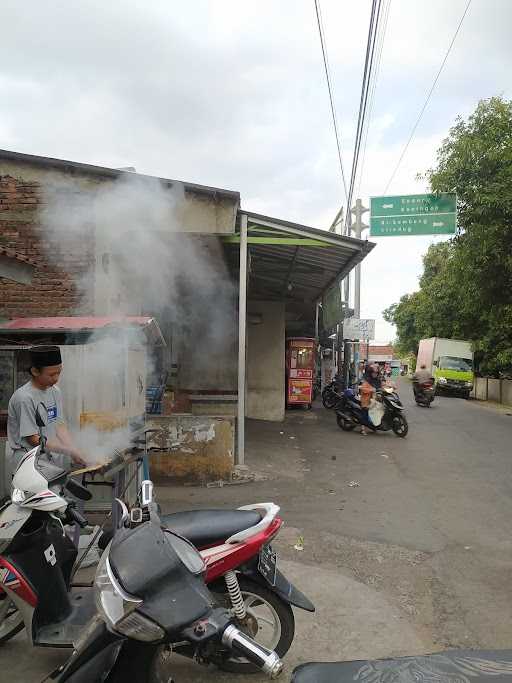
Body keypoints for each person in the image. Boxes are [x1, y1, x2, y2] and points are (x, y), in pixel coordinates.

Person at [5, 345, 85, 491]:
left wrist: (73, 449)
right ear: (35, 371)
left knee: (55, 506)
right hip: (28, 462)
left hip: (49, 462)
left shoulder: (55, 392)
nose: (56, 379)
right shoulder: (24, 398)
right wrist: (68, 450)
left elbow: (59, 426)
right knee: (31, 509)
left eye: (59, 373)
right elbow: (33, 439)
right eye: (51, 374)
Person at [358, 364, 382, 435]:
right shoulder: (366, 380)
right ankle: (363, 429)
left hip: (374, 400)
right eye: (374, 373)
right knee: (365, 414)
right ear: (370, 373)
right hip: (366, 400)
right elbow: (363, 389)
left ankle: (374, 426)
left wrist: (390, 386)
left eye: (376, 373)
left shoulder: (377, 380)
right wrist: (371, 389)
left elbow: (382, 385)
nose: (375, 374)